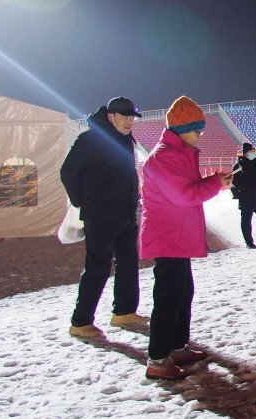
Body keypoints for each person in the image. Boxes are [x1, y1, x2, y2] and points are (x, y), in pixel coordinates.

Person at [140, 95, 233, 380]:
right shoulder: (166, 155)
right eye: (196, 129)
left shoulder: (178, 152)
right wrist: (215, 183)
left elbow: (188, 189)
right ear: (182, 128)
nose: (200, 135)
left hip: (176, 234)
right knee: (168, 297)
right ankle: (157, 358)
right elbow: (184, 195)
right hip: (168, 235)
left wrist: (213, 182)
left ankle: (177, 345)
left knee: (182, 293)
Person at [61, 96, 146, 338]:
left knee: (129, 264)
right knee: (98, 267)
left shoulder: (125, 139)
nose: (130, 121)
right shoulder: (90, 140)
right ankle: (81, 322)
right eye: (125, 117)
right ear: (111, 116)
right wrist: (82, 201)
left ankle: (124, 311)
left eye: (132, 118)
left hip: (126, 214)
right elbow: (68, 171)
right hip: (100, 216)